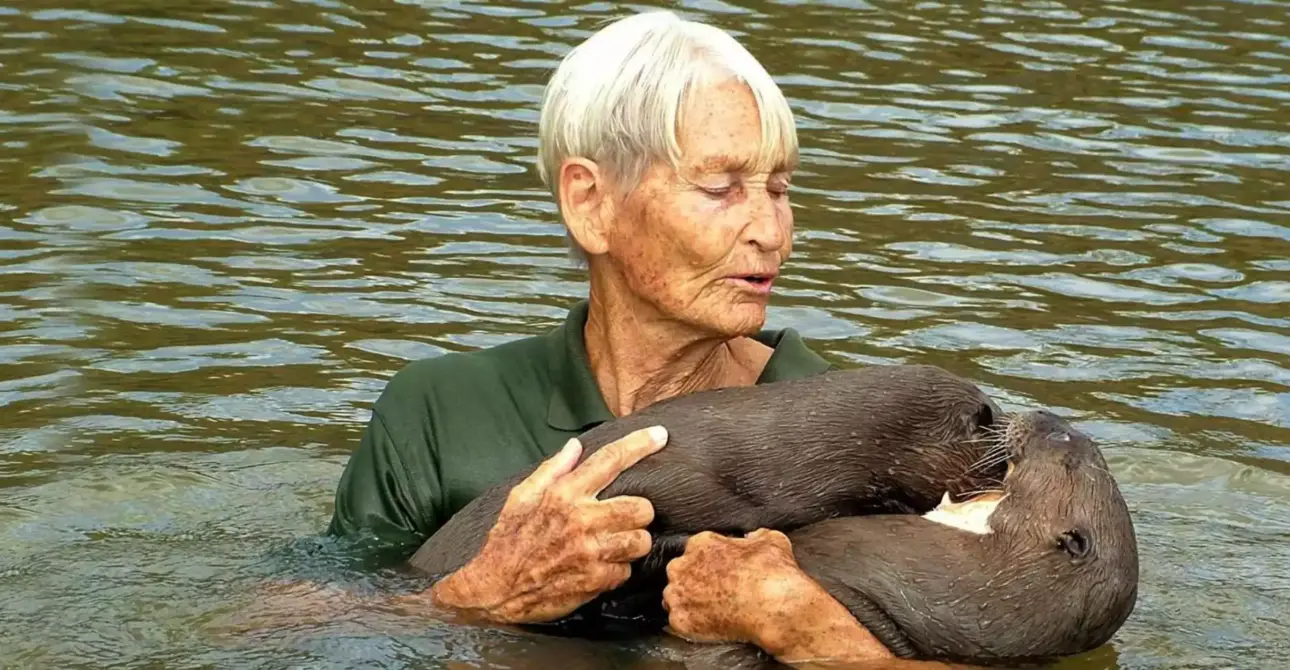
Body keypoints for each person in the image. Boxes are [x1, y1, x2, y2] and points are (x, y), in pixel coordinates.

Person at [327, 9, 894, 666]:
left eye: (779, 188)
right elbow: (278, 630)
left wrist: (817, 635)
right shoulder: (436, 414)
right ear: (589, 203)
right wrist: (479, 593)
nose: (774, 232)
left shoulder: (848, 434)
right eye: (721, 188)